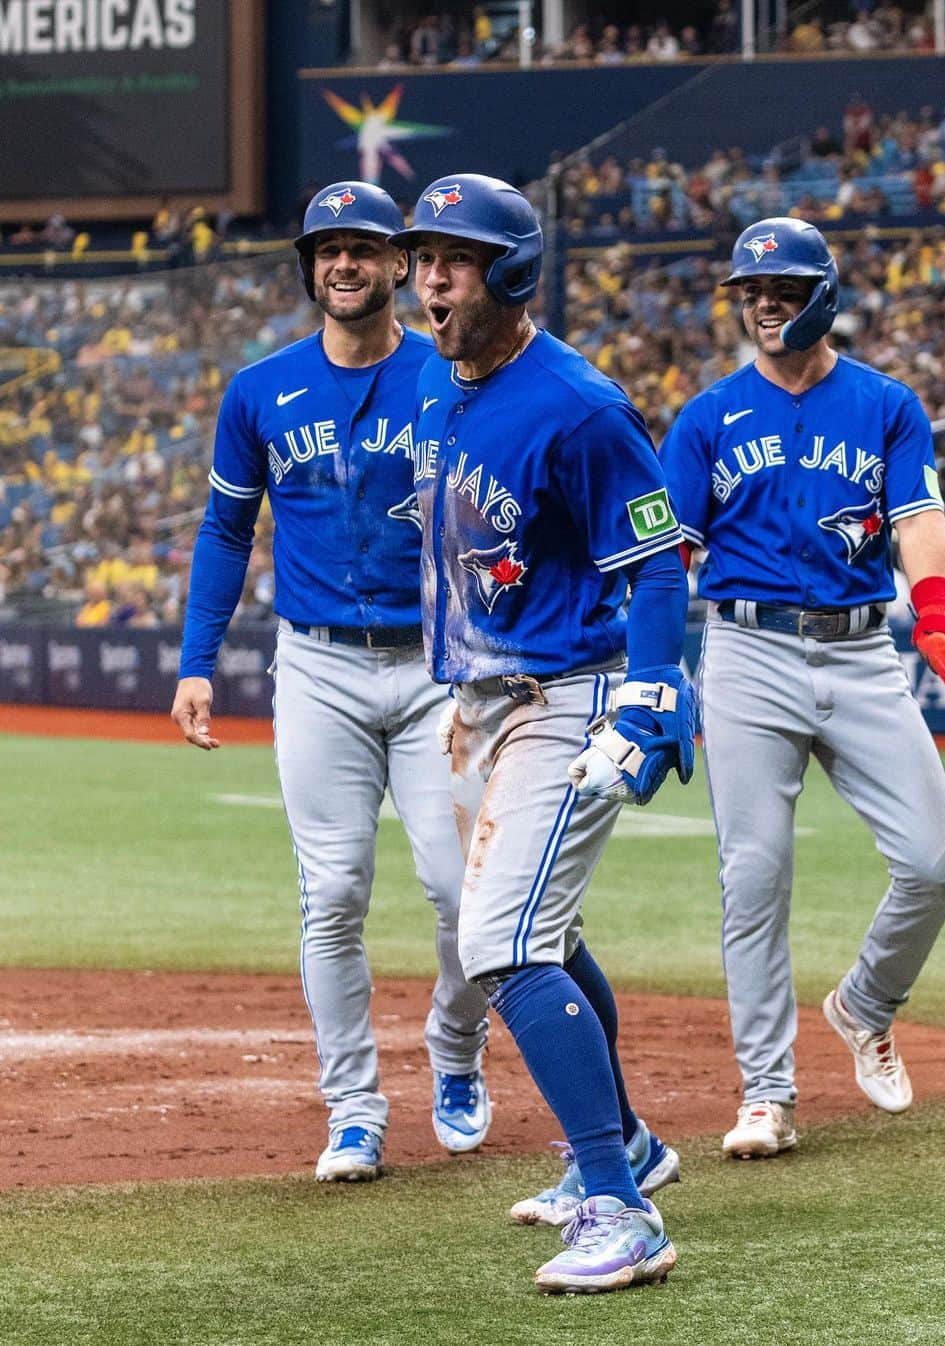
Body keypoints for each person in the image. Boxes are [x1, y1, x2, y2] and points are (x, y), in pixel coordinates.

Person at [389, 174, 693, 1293]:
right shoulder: (437, 379)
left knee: (504, 945)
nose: (430, 277)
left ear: (512, 274)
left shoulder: (581, 404)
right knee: (544, 934)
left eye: (453, 260)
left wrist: (653, 694)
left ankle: (622, 1205)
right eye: (424, 256)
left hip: (566, 692)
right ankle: (626, 1145)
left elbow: (657, 557)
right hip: (476, 703)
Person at [170, 181, 491, 1184]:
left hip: (440, 667)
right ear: (308, 267)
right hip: (316, 666)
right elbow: (226, 531)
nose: (344, 264)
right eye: (326, 249)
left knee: (460, 891)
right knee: (334, 890)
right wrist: (195, 661)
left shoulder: (454, 377)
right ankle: (354, 1108)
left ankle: (455, 1047)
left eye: (364, 247)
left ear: (400, 264)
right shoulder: (261, 388)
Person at [660, 217, 945, 1161]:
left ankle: (865, 1004)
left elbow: (919, 516)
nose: (762, 304)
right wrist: (646, 668)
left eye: (782, 289)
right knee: (754, 877)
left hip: (859, 648)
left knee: (938, 862)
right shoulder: (707, 417)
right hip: (748, 652)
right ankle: (767, 1093)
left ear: (823, 296)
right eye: (751, 292)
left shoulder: (884, 405)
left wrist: (937, 611)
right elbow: (668, 551)